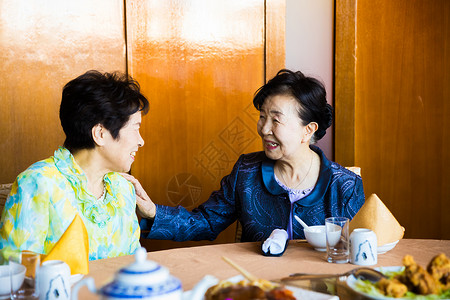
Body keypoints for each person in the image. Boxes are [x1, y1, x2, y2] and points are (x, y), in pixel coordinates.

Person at [124, 69, 364, 243]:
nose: (264, 128)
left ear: (308, 130)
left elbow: (359, 250)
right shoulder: (246, 172)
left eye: (276, 119)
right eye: (262, 116)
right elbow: (206, 222)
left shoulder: (345, 185)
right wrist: (154, 212)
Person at [0, 70, 149, 262]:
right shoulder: (38, 183)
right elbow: (17, 274)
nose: (141, 141)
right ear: (100, 134)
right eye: (135, 128)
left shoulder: (122, 188)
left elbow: (132, 265)